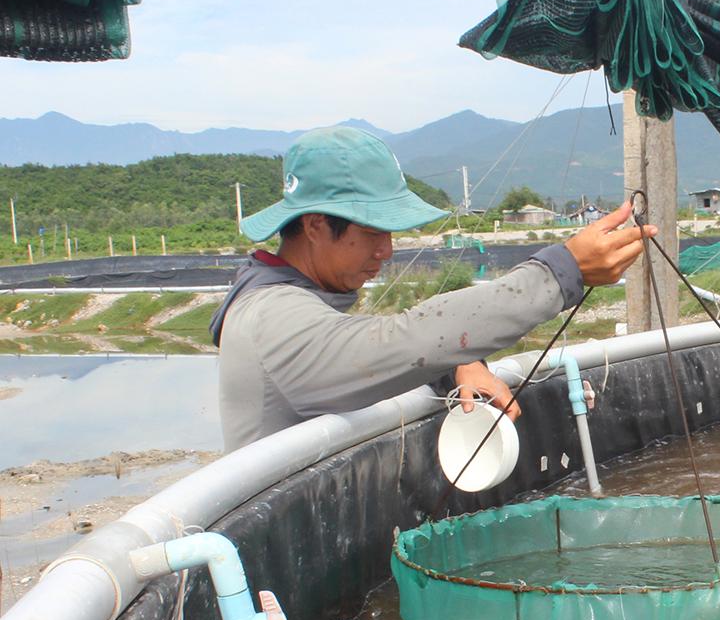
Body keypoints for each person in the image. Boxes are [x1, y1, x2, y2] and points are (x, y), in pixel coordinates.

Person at [210, 126, 650, 450]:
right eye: (372, 232)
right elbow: (396, 342)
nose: (386, 250)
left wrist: (458, 365)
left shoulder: (287, 302)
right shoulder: (270, 319)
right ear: (314, 226)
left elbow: (381, 353)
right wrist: (562, 271)